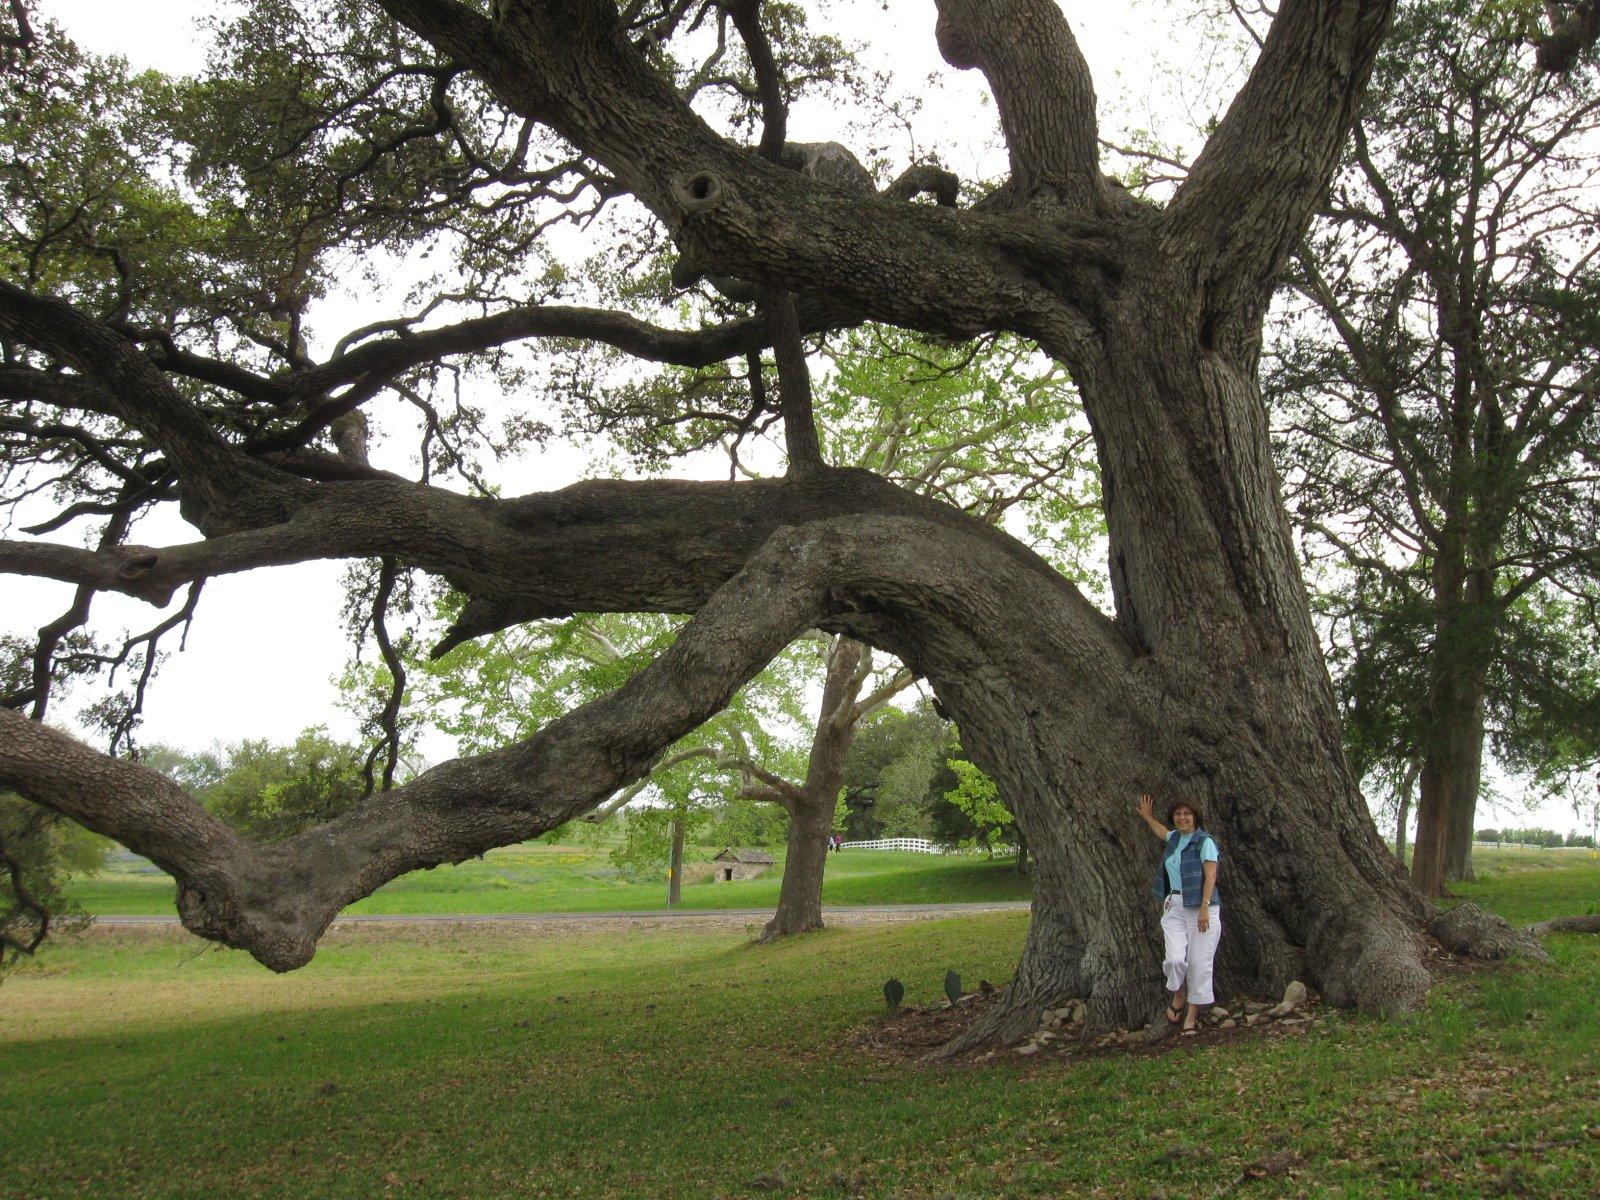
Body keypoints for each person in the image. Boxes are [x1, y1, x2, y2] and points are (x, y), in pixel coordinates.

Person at [1135, 793, 1221, 1036]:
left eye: (1187, 814)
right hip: (1174, 905)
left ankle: (1191, 1017)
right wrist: (1147, 817)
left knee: (1198, 964)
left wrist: (1204, 906)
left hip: (1202, 908)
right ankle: (1178, 994)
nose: (1182, 818)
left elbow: (1211, 875)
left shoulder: (1204, 842)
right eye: (1178, 815)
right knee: (1174, 959)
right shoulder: (1174, 839)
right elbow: (1162, 832)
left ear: (1195, 817)